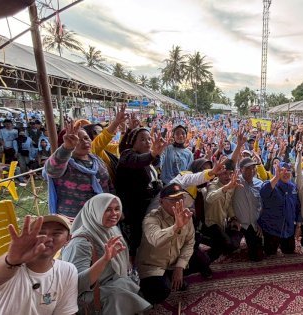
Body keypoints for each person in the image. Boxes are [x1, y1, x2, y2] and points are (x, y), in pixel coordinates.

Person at [61, 193, 150, 314]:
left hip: (110, 282)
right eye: (107, 209)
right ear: (95, 211)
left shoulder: (110, 229)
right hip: (89, 294)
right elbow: (76, 285)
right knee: (118, 294)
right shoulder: (80, 243)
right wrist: (104, 260)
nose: (114, 214)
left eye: (117, 209)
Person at [0, 215, 78, 314]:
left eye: (56, 234)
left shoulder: (67, 270)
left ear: (68, 239)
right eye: (41, 232)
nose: (48, 238)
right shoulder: (3, 266)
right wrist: (11, 261)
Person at [136, 184, 195, 305]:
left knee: (202, 261)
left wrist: (179, 267)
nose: (178, 203)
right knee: (162, 291)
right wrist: (176, 227)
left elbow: (189, 242)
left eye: (181, 199)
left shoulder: (186, 215)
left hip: (173, 262)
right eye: (173, 199)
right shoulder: (151, 218)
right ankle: (142, 296)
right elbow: (156, 240)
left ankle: (172, 275)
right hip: (153, 266)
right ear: (161, 202)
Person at [44, 120, 114, 219]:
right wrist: (67, 148)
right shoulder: (64, 163)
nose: (85, 141)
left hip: (102, 216)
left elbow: (108, 185)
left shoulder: (96, 159)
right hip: (75, 221)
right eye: (78, 139)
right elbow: (51, 170)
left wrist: (114, 206)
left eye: (86, 138)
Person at [116, 127, 168, 258]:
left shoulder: (147, 159)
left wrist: (156, 153)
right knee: (137, 243)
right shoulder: (127, 155)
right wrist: (153, 153)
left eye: (149, 139)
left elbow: (151, 162)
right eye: (142, 139)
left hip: (148, 203)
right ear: (133, 142)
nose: (148, 142)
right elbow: (138, 162)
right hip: (134, 208)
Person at [258, 161, 303, 256]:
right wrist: (276, 177)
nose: (286, 173)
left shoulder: (293, 188)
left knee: (289, 251)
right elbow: (263, 193)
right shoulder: (271, 184)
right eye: (282, 170)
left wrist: (298, 225)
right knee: (270, 253)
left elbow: (298, 207)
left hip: (288, 229)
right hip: (272, 229)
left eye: (288, 171)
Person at [203, 160, 243, 261]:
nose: (228, 177)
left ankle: (226, 238)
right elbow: (209, 198)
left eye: (231, 173)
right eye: (225, 173)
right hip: (210, 225)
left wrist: (233, 218)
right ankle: (203, 260)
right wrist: (226, 188)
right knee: (227, 245)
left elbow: (228, 204)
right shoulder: (213, 185)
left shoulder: (231, 185)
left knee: (232, 244)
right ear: (219, 173)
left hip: (222, 224)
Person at [232, 157, 265, 261]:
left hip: (253, 224)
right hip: (238, 223)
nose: (251, 171)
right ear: (241, 169)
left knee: (257, 256)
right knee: (231, 245)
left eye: (253, 168)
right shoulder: (235, 181)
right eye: (247, 168)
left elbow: (262, 205)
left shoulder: (259, 183)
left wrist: (260, 223)